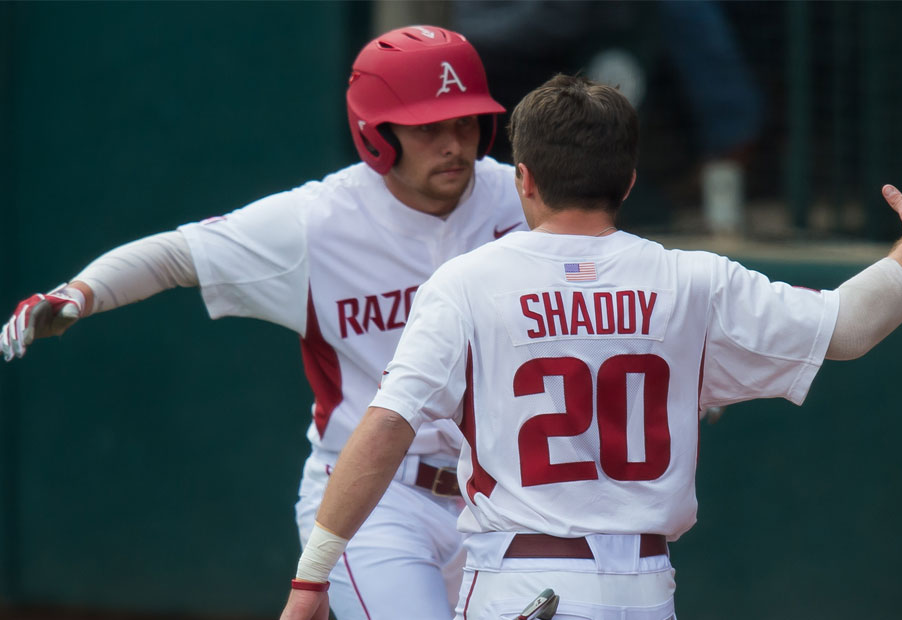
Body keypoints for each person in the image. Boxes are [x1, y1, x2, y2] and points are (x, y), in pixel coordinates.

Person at [279, 74, 902, 620]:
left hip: (519, 584)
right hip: (645, 590)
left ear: (524, 179)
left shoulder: (467, 283)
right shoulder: (694, 279)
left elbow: (387, 425)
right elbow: (849, 327)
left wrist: (312, 579)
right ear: (628, 181)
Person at [0, 25, 527, 620]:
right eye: (429, 127)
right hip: (380, 501)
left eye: (465, 122)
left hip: (508, 497)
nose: (454, 143)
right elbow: (177, 254)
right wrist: (80, 293)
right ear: (376, 133)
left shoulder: (523, 199)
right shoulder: (318, 223)